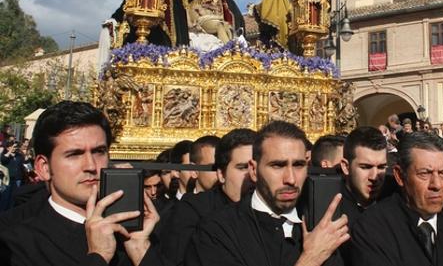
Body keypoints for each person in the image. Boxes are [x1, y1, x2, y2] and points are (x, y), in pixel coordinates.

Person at [0, 101, 165, 266]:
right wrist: (98, 256)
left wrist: (140, 249)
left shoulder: (144, 230)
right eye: (74, 154)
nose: (91, 166)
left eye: (99, 151)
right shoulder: (15, 243)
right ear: (44, 168)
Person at [187, 120, 348, 266]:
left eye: (298, 165)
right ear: (254, 170)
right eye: (277, 165)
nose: (291, 179)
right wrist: (310, 259)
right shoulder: (218, 230)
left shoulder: (322, 227)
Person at [348, 132, 443, 266]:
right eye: (424, 173)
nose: (437, 185)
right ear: (400, 176)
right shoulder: (371, 229)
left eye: (442, 173)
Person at [163, 129, 258, 265]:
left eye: (257, 168)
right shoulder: (194, 210)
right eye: (243, 167)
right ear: (221, 174)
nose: (253, 176)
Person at [339, 127, 387, 228]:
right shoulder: (330, 212)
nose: (374, 177)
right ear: (346, 167)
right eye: (365, 167)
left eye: (381, 167)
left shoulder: (396, 201)